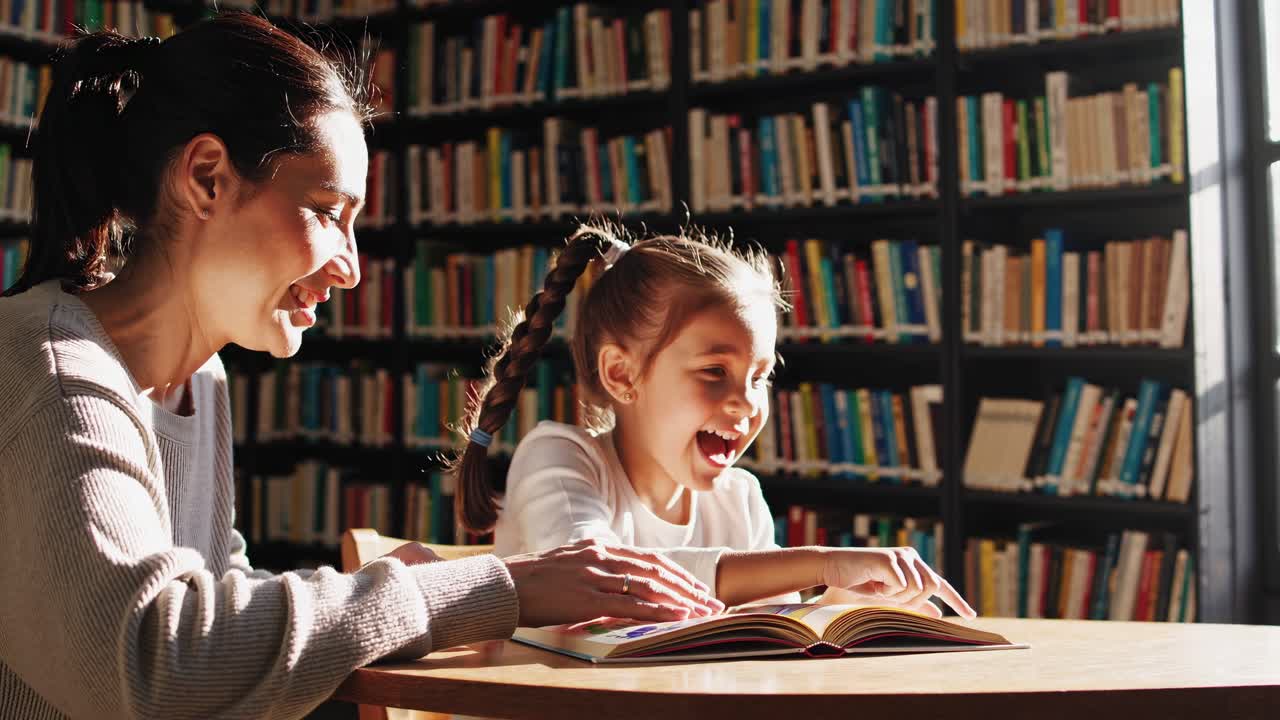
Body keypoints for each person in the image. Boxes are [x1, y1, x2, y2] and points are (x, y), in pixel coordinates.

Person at [0, 15, 721, 720]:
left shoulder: (199, 381)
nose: (350, 269)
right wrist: (493, 589)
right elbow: (159, 663)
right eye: (326, 211)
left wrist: (385, 587)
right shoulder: (54, 369)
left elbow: (215, 599)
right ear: (208, 177)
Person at [456, 224, 977, 614]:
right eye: (713, 371)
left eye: (760, 376)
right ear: (621, 375)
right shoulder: (559, 457)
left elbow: (761, 631)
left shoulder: (738, 499)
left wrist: (839, 602)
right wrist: (822, 564)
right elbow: (599, 578)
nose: (748, 404)